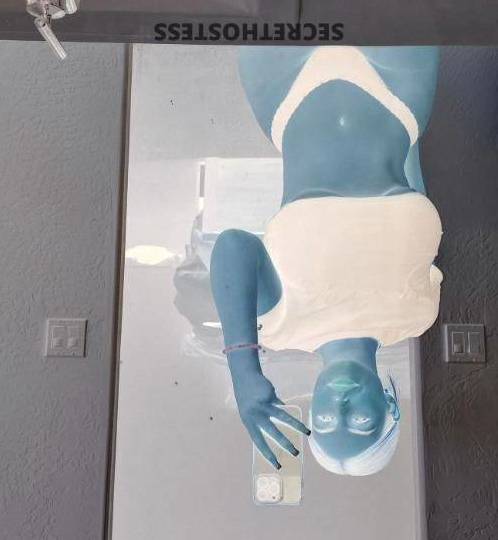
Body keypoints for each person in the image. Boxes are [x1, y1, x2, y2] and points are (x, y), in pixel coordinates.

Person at [210, 46, 442, 474]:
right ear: (390, 406)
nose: (341, 406)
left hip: (287, 85)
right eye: (361, 422)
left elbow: (233, 247)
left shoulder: (281, 326)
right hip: (398, 87)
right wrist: (410, 122)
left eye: (325, 421)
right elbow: (414, 176)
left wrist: (243, 371)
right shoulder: (418, 314)